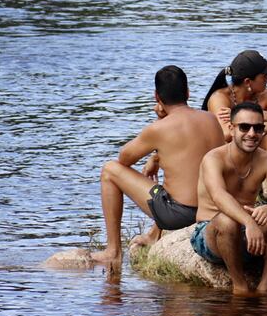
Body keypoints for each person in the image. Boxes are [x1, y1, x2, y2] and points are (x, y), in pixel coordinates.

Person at [90, 66, 224, 264]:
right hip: (213, 207)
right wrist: (156, 156)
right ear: (187, 92)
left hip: (179, 214)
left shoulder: (158, 129)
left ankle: (113, 251)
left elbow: (124, 159)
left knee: (110, 170)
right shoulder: (211, 119)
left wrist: (160, 121)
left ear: (156, 97)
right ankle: (154, 235)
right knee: (172, 178)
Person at [190, 101, 267, 295]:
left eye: (258, 128)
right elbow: (219, 196)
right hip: (212, 234)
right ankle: (240, 287)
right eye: (244, 127)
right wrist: (250, 222)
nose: (252, 133)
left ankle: (265, 287)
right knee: (226, 220)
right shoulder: (214, 158)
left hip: (248, 234)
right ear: (231, 128)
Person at [202, 50, 267, 157]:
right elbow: (226, 133)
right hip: (227, 155)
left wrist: (238, 119)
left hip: (255, 149)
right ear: (248, 82)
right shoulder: (219, 98)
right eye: (264, 75)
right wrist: (264, 118)